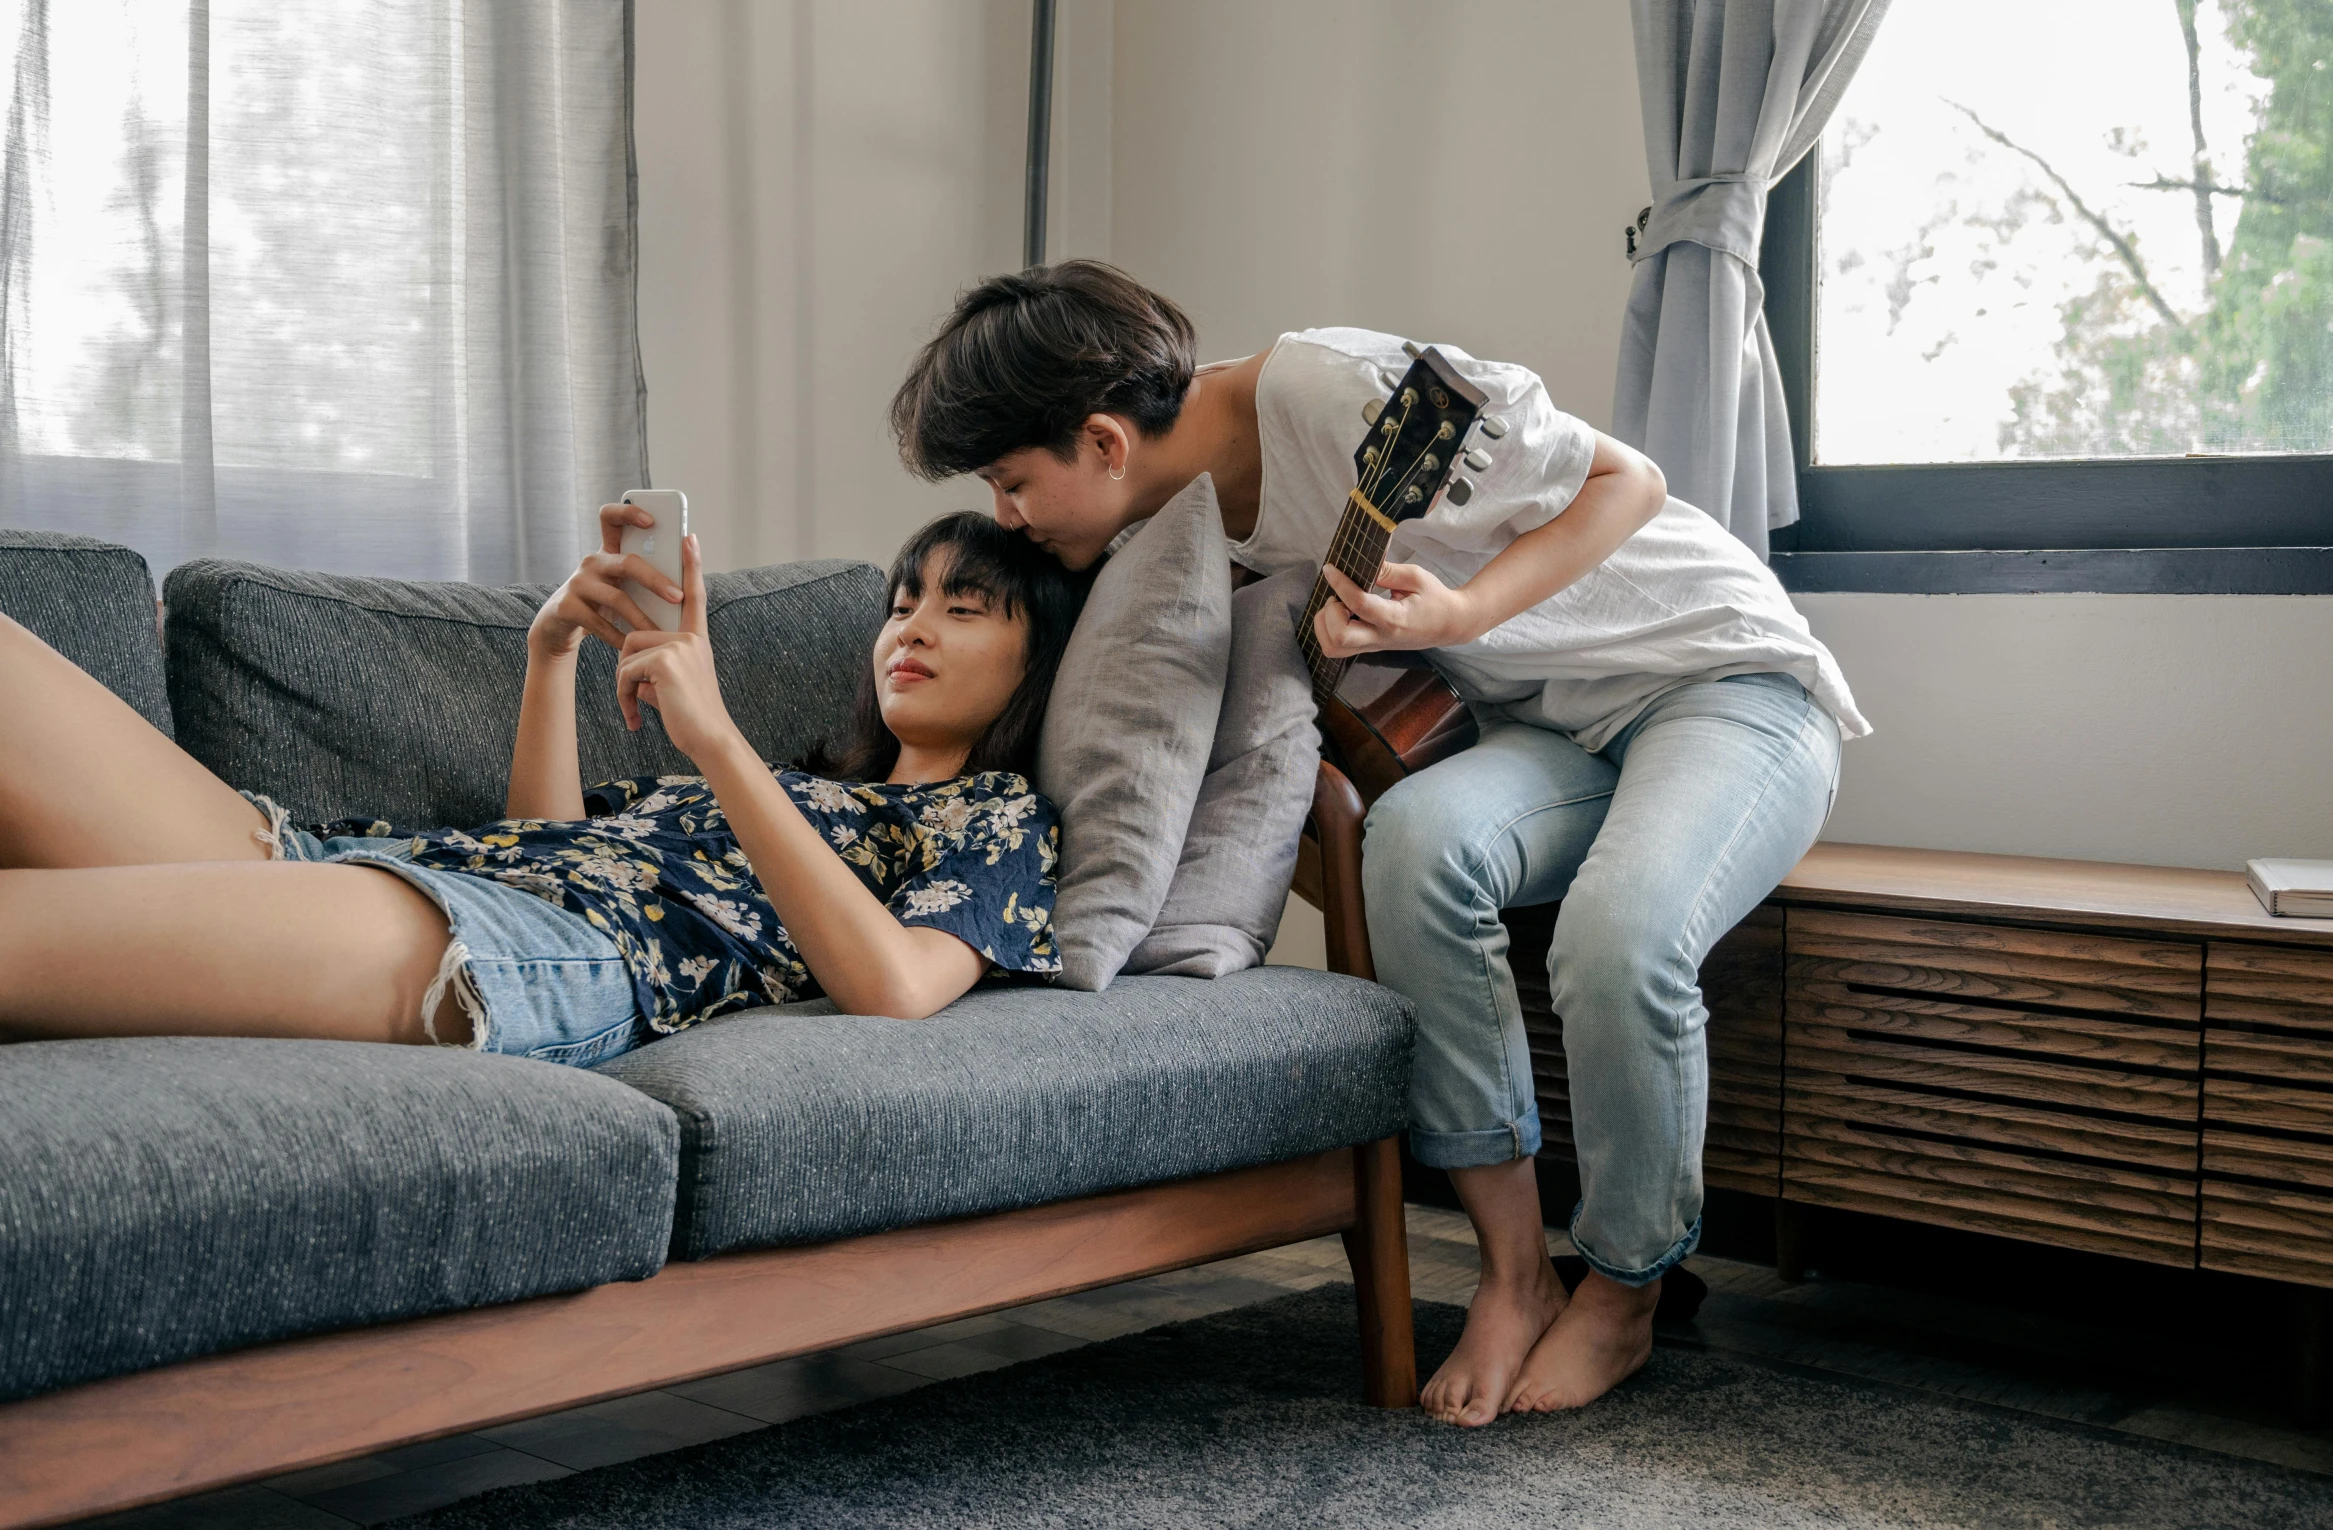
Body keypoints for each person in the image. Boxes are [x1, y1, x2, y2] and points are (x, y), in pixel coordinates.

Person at [890, 260, 1866, 1426]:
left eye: (1010, 485)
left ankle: (1621, 1287)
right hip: (1546, 727)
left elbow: (1631, 480)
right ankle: (1513, 1274)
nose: (1009, 518)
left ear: (1103, 442)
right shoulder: (1186, 522)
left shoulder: (1332, 389)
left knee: (1618, 933)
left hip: (1723, 678)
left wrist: (1463, 614)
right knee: (1407, 843)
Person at [0, 508, 1079, 1062]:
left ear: (1037, 658)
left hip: (525, 953)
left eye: (965, 606)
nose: (912, 627)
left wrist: (714, 744)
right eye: (901, 602)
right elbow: (544, 841)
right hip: (398, 865)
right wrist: (550, 650)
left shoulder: (991, 816)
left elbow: (893, 985)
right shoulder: (806, 780)